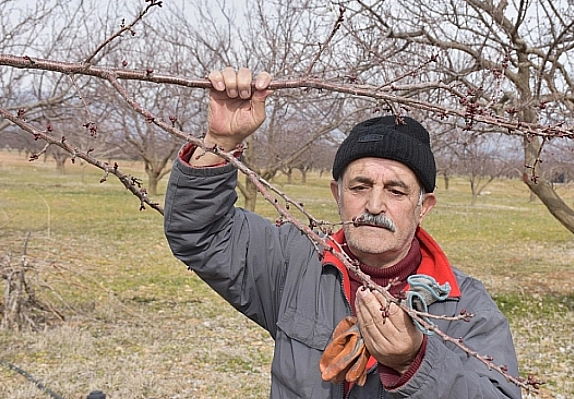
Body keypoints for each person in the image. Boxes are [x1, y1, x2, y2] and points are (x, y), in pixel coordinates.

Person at [164, 67, 522, 399]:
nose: (374, 205)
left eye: (396, 191)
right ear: (337, 194)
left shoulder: (464, 307)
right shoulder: (294, 262)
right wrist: (219, 142)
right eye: (359, 187)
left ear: (423, 206)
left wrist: (416, 362)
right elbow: (201, 233)